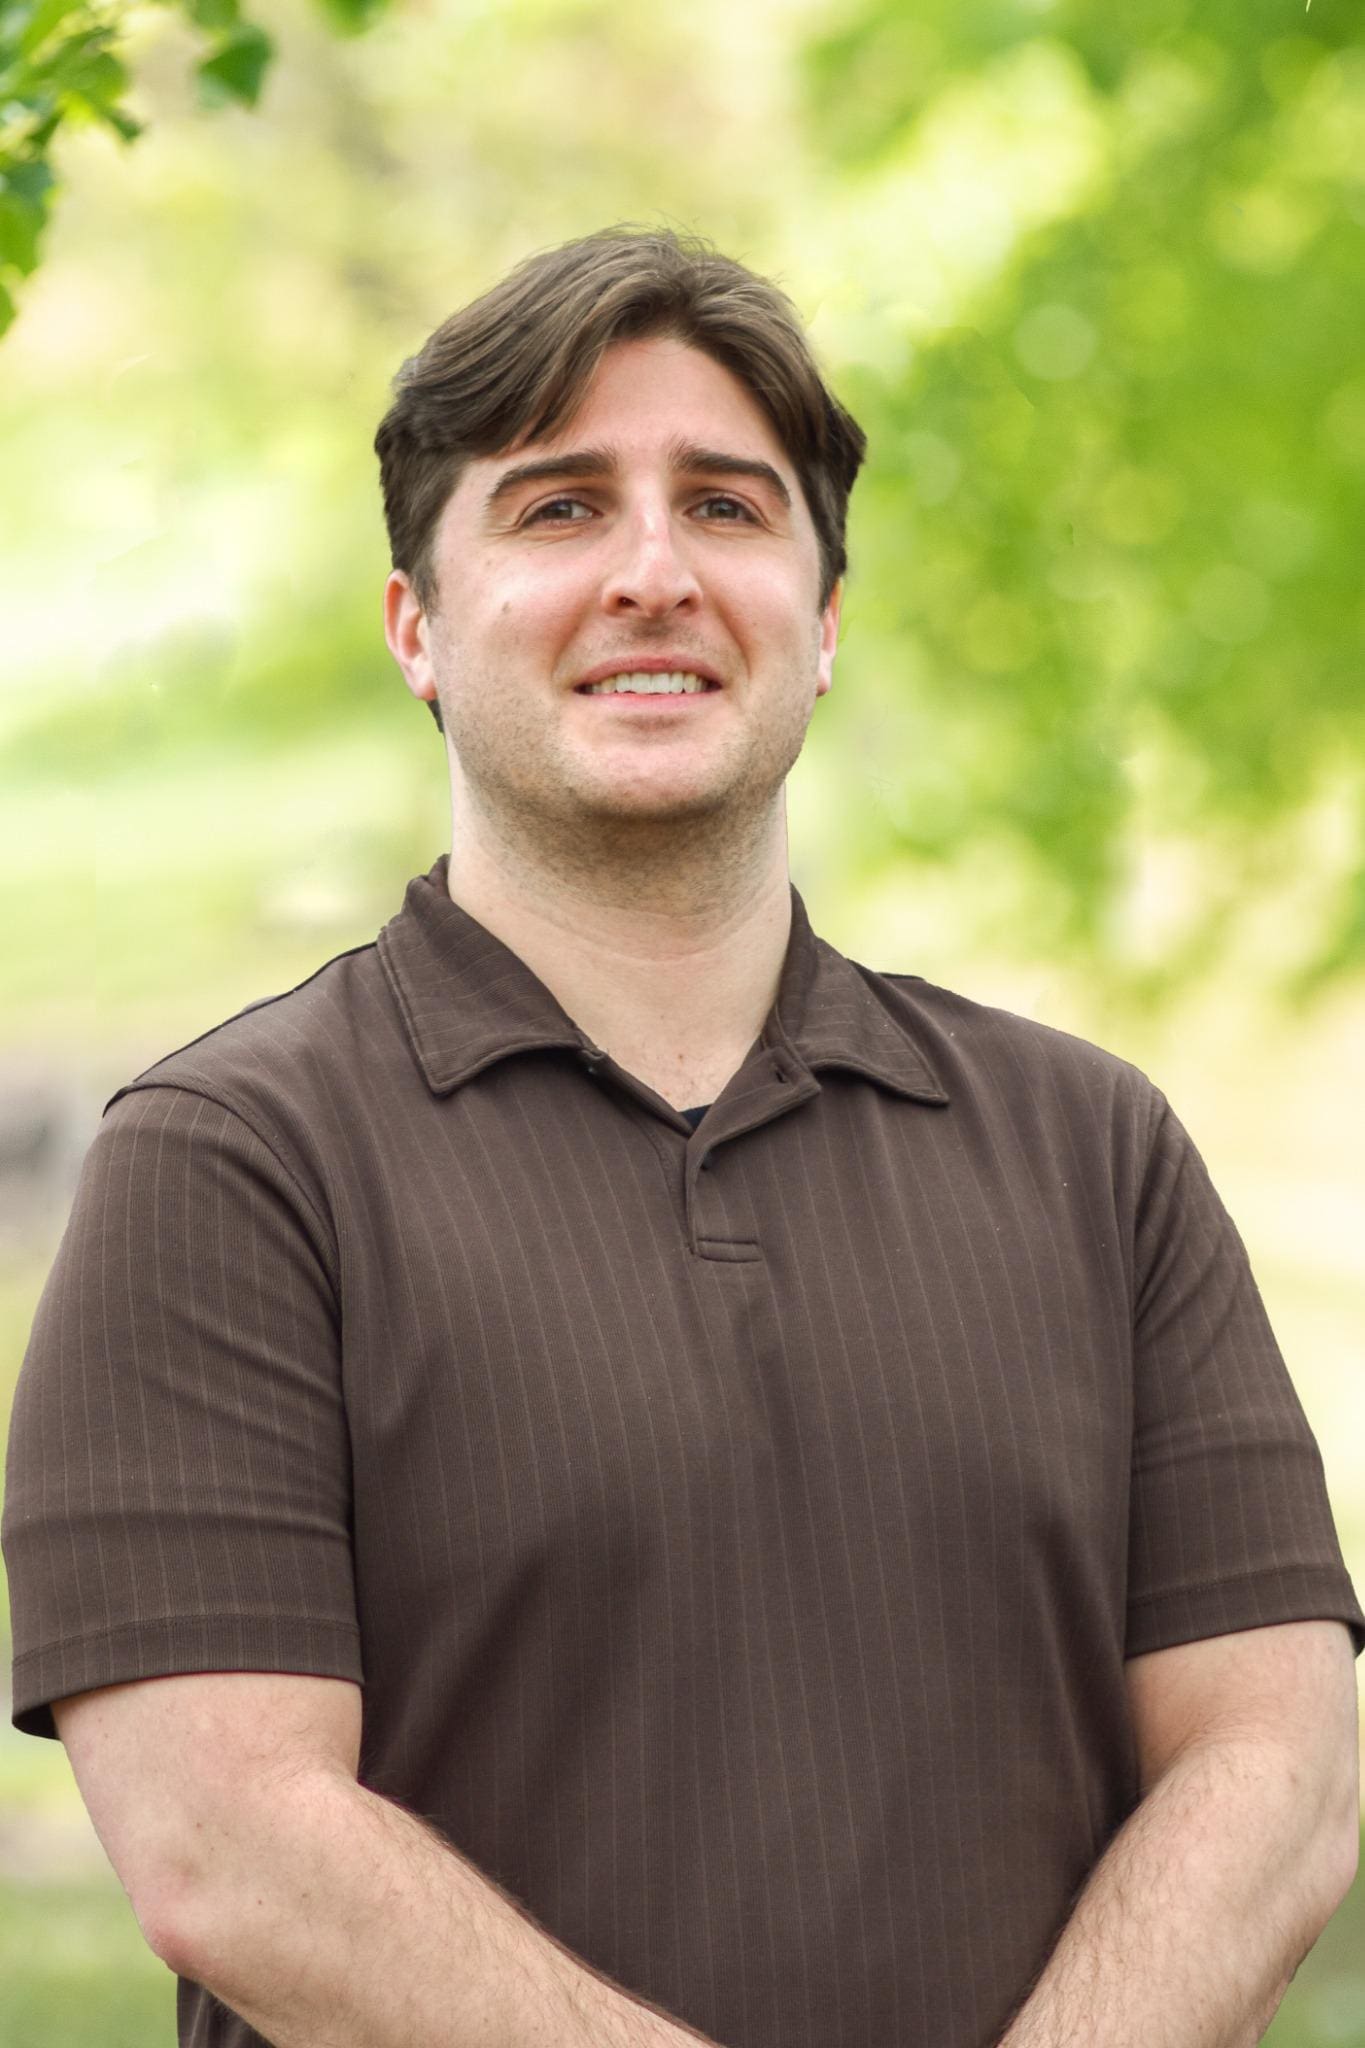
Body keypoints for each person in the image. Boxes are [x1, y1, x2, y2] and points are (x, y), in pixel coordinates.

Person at [4, 224, 1362, 2048]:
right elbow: (228, 1846)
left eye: (724, 507)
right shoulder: (232, 1165)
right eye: (559, 509)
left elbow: (1277, 1765)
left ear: (824, 620)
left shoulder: (1090, 1149)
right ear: (416, 628)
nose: (653, 573)